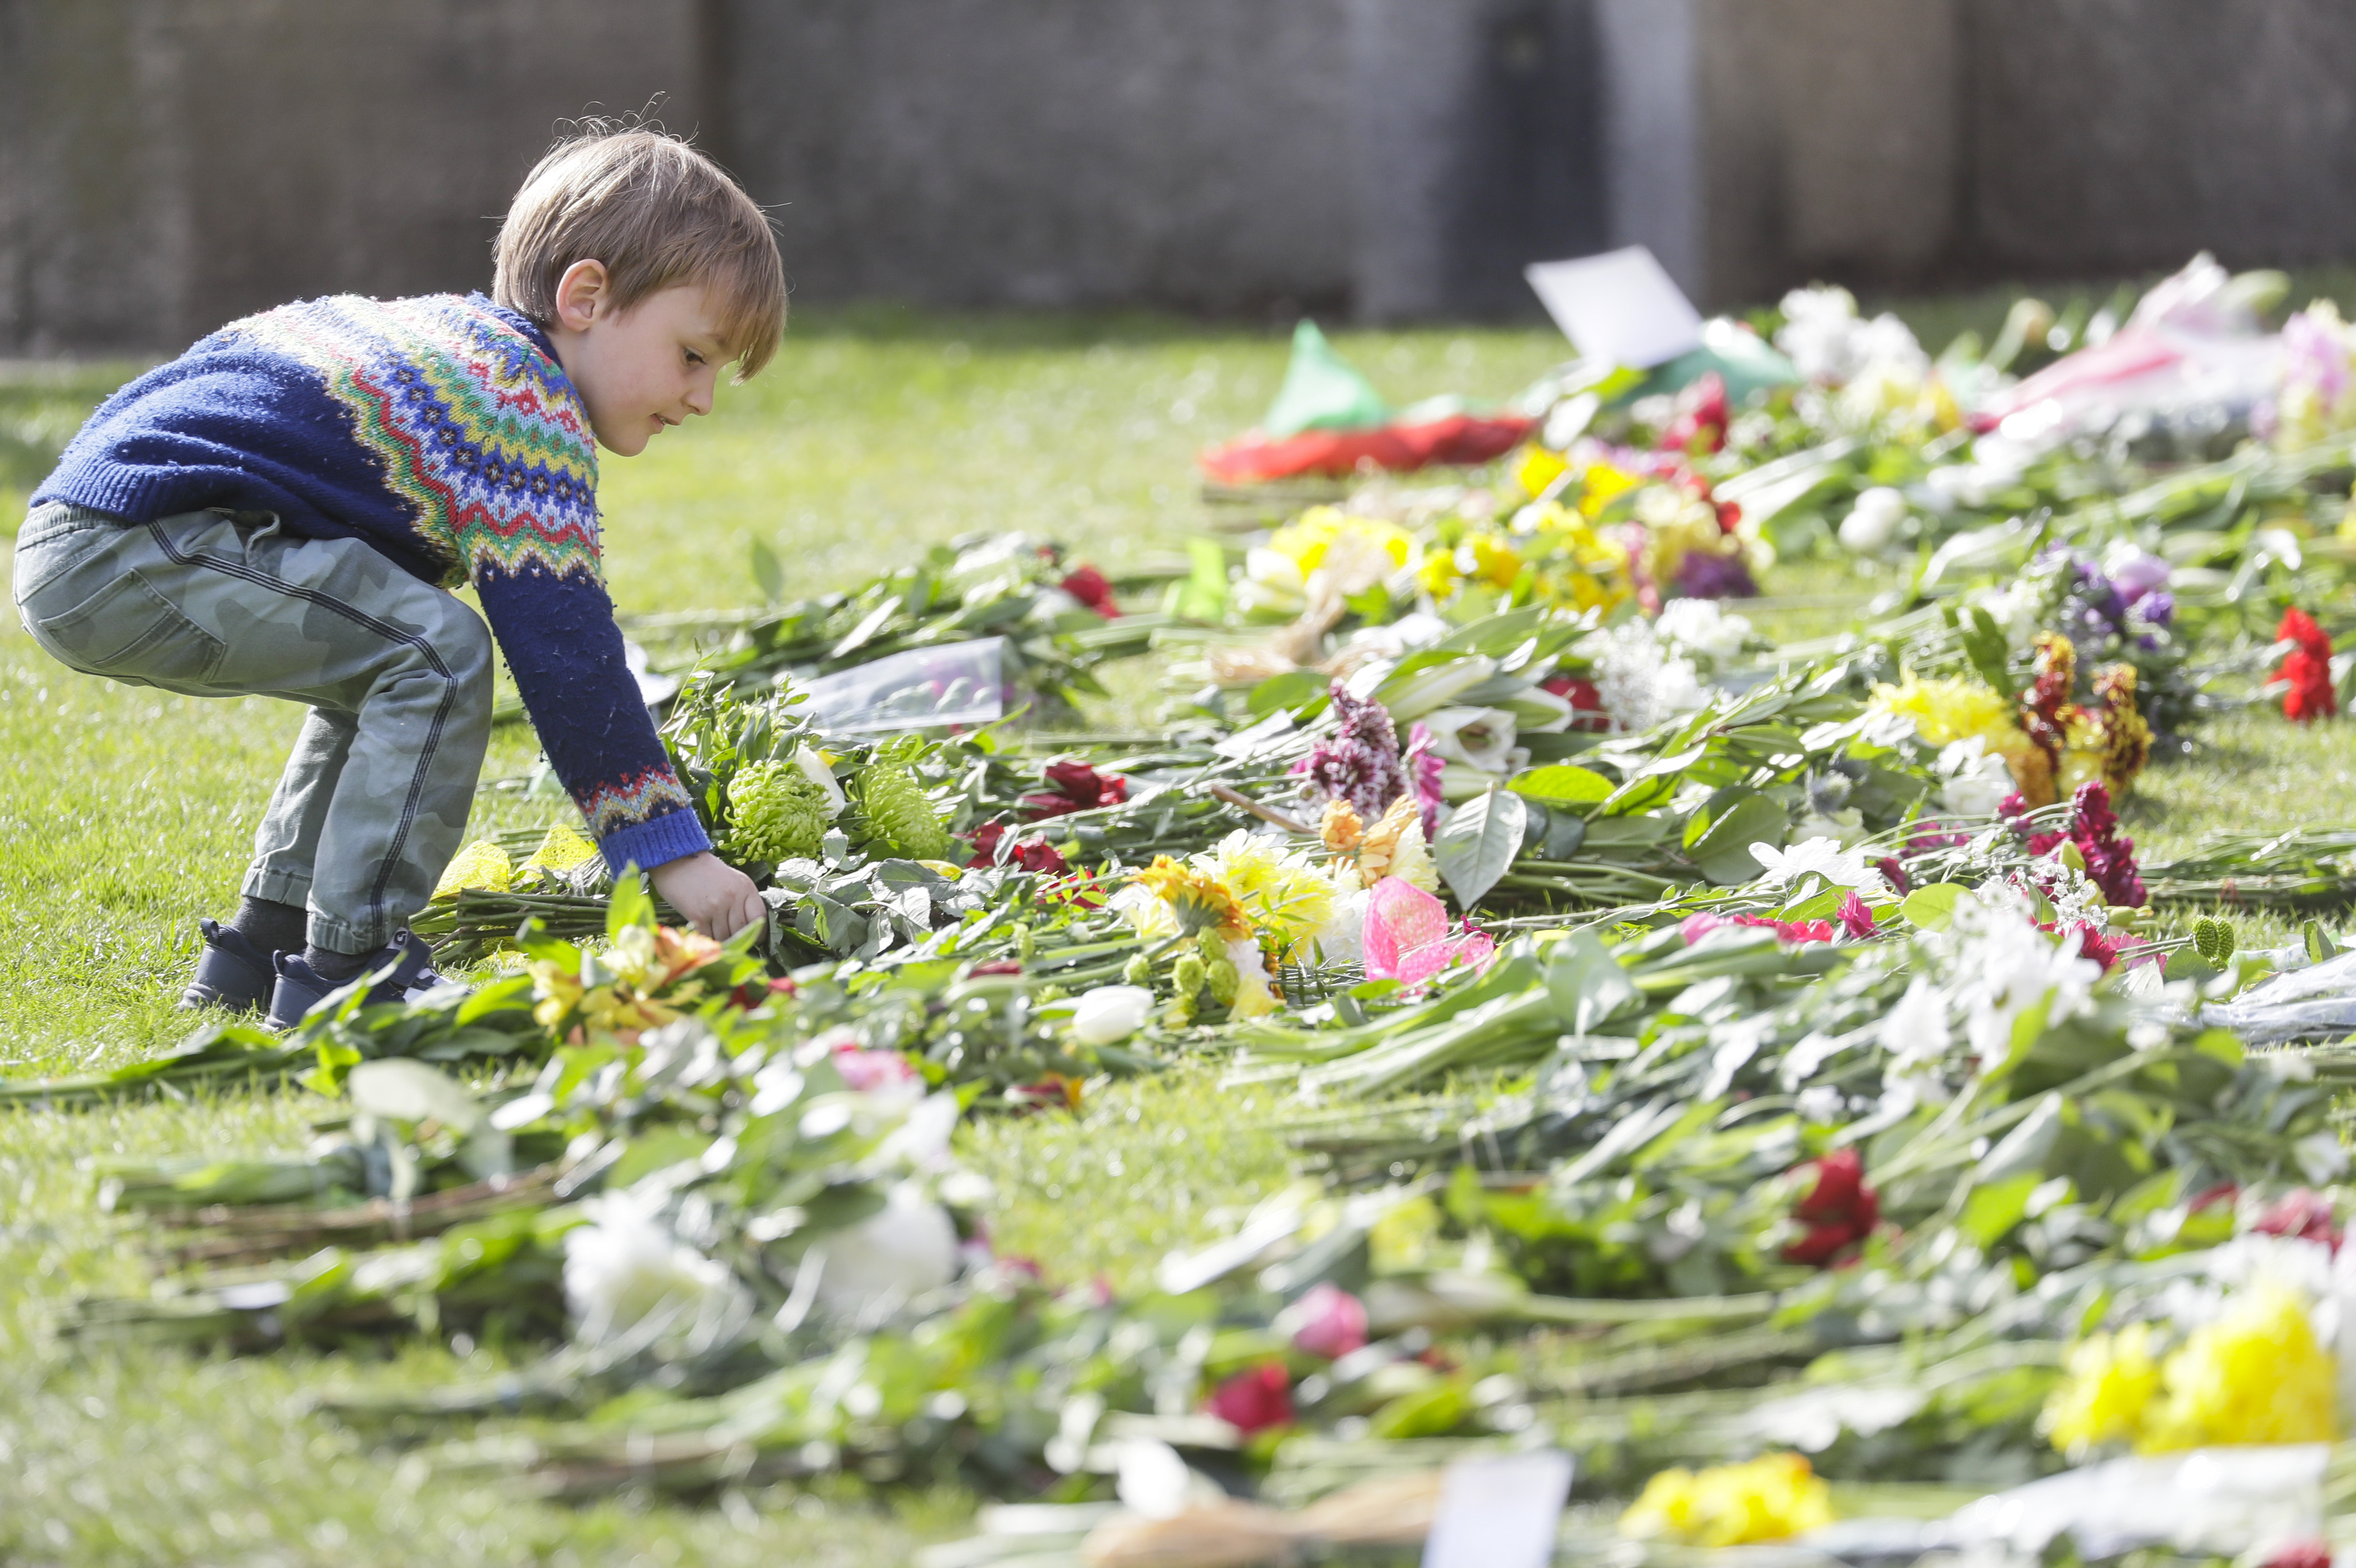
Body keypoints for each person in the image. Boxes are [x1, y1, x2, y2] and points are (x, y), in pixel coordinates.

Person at [12, 124, 781, 1028]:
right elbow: (567, 654)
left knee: (390, 650)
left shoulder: (443, 346)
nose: (701, 396)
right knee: (437, 653)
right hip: (131, 549)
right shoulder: (518, 403)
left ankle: (268, 945)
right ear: (586, 296)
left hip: (87, 532)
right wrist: (668, 850)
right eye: (693, 355)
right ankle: (356, 964)